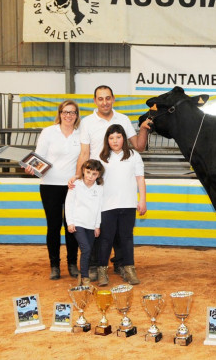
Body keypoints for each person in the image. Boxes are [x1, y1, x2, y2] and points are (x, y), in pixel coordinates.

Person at [72, 85, 151, 280]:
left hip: (122, 189)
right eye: (100, 98)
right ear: (95, 101)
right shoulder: (88, 122)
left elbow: (138, 146)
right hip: (97, 183)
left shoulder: (123, 120)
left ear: (113, 99)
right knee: (98, 229)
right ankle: (95, 266)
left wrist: (142, 129)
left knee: (121, 233)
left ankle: (122, 265)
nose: (104, 102)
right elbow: (84, 153)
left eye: (108, 98)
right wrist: (79, 178)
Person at [24, 100, 81, 280]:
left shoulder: (81, 134)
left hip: (73, 186)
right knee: (53, 226)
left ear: (77, 115)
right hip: (49, 185)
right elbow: (38, 157)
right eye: (65, 112)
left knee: (71, 226)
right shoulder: (48, 132)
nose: (68, 115)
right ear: (60, 113)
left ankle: (72, 264)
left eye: (72, 112)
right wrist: (31, 168)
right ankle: (54, 265)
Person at [97, 124, 147, 286]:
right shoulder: (101, 158)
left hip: (128, 204)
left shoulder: (134, 156)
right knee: (106, 239)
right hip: (106, 205)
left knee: (126, 238)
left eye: (118, 137)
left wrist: (142, 200)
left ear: (124, 139)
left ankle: (129, 269)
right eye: (111, 138)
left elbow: (140, 179)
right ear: (107, 140)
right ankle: (102, 271)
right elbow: (93, 180)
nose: (115, 141)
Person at [65, 160, 104, 286]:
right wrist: (70, 222)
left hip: (91, 225)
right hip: (78, 224)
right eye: (88, 172)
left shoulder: (99, 189)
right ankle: (85, 277)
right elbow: (68, 204)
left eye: (94, 174)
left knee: (88, 250)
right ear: (83, 171)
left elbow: (99, 208)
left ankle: (83, 274)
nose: (90, 176)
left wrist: (97, 226)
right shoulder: (75, 185)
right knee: (86, 249)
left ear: (98, 175)